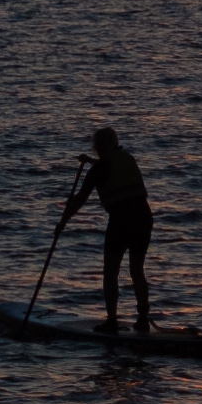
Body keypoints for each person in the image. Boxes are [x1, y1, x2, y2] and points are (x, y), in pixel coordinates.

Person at [62, 124, 153, 331]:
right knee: (137, 270)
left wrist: (62, 222)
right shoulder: (127, 158)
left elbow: (79, 200)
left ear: (97, 147)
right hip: (143, 218)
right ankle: (143, 319)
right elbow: (110, 166)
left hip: (121, 221)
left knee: (111, 272)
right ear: (115, 144)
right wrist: (90, 161)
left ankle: (112, 321)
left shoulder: (97, 171)